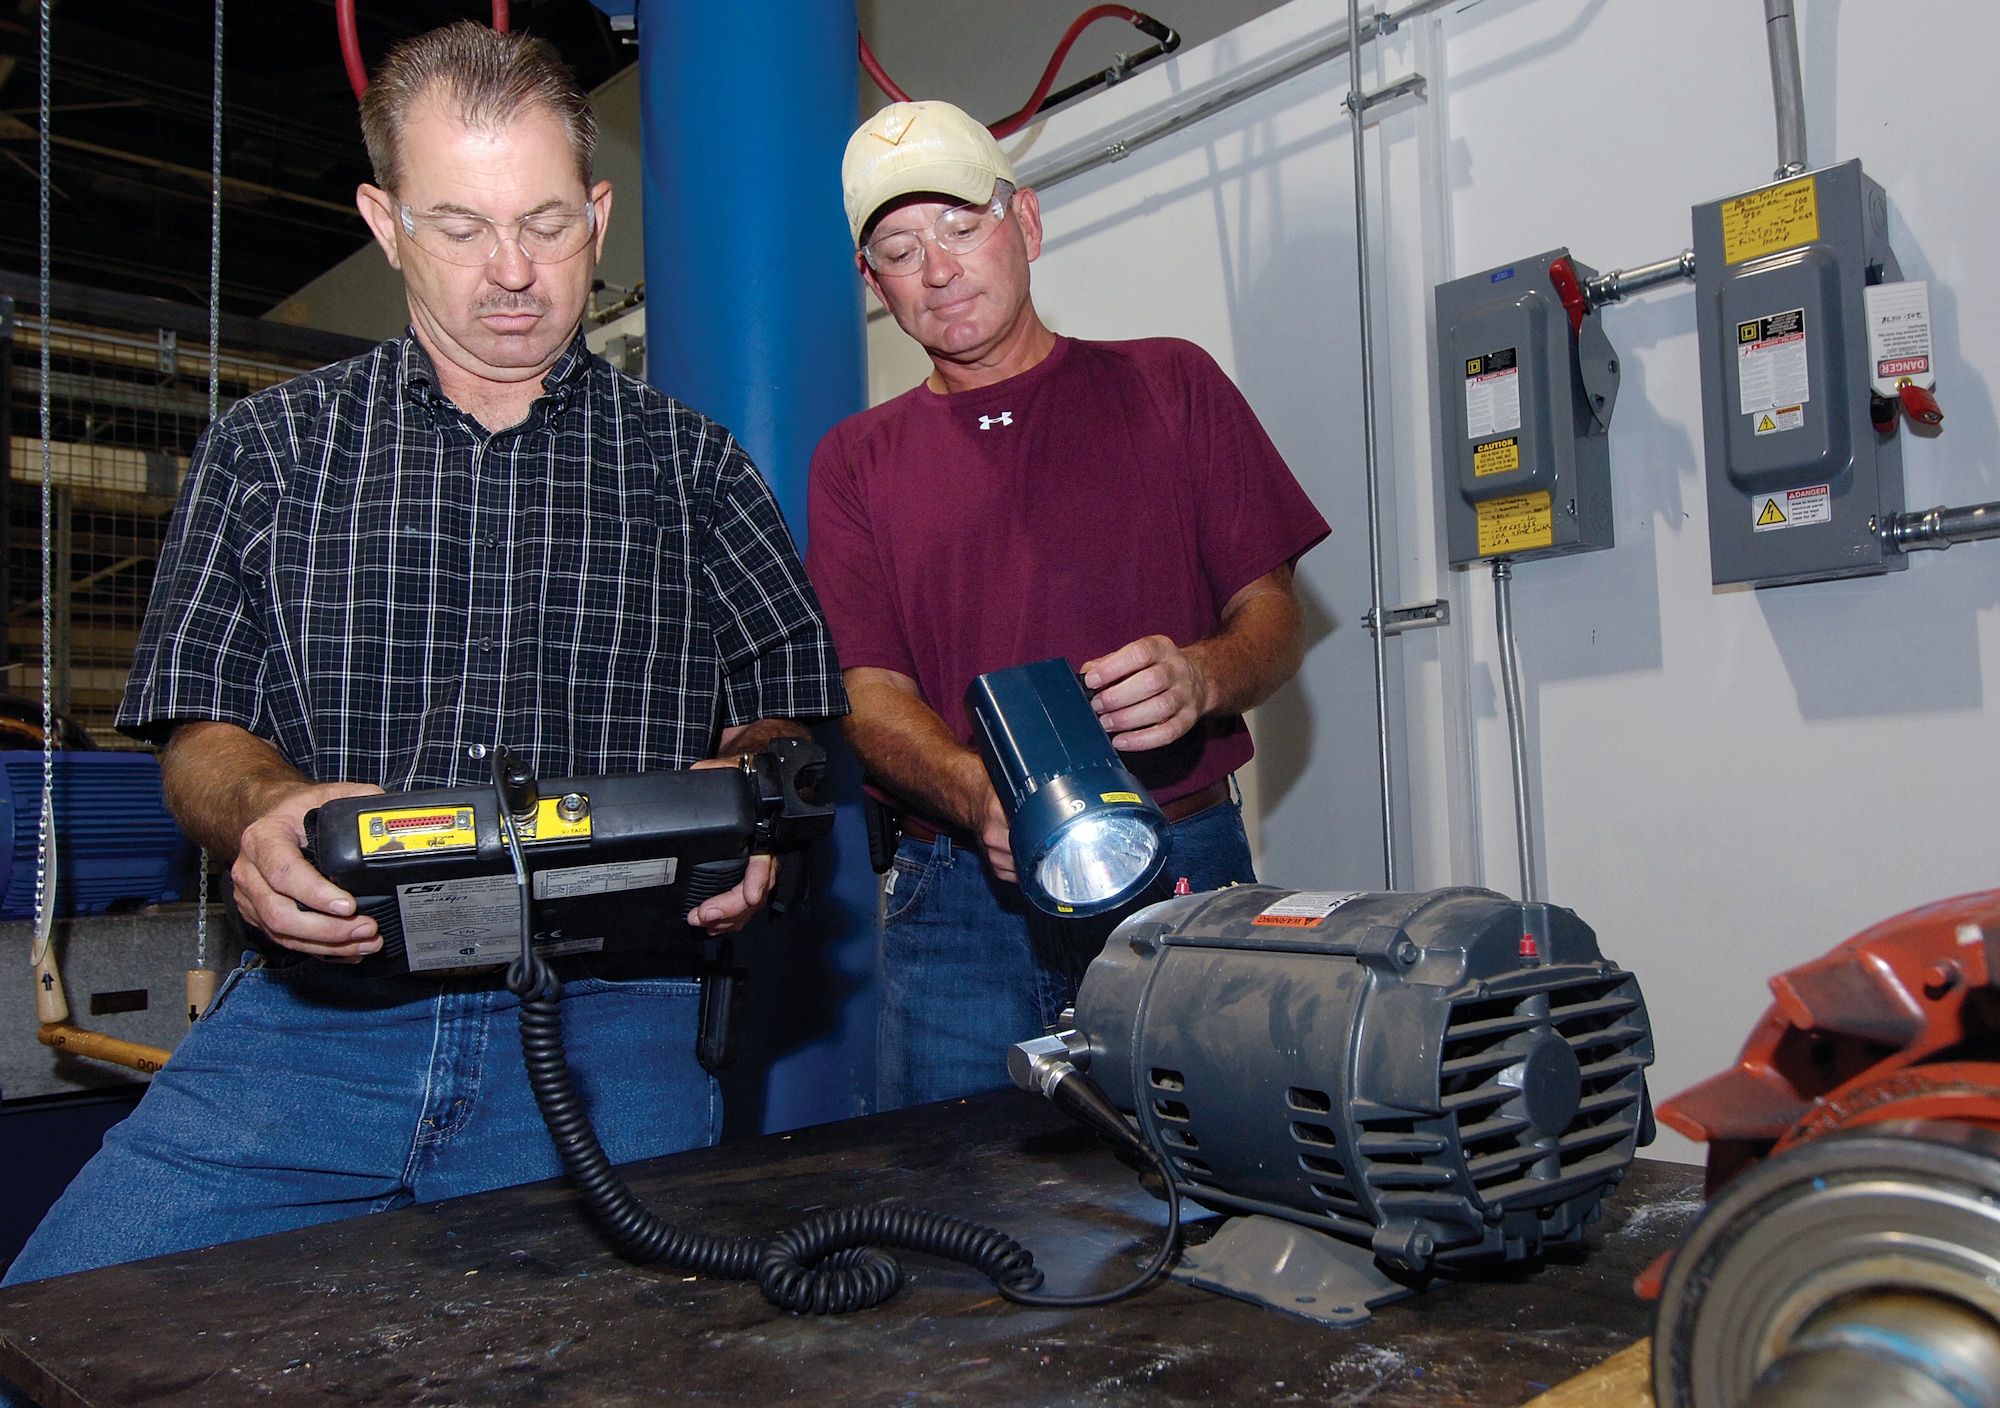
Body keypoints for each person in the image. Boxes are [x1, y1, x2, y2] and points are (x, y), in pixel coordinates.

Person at [2, 23, 845, 1288]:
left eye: (547, 222)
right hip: (312, 1030)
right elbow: (199, 741)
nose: (511, 270)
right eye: (459, 226)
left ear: (601, 214)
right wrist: (267, 812)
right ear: (384, 221)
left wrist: (754, 811)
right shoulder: (266, 454)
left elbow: (786, 721)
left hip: (613, 1026)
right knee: (55, 1323)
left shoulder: (699, 468)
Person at [806, 100, 1330, 1112]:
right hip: (959, 900)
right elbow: (864, 689)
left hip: (1179, 864)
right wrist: (971, 792)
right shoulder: (855, 463)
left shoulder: (1168, 384)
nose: (940, 268)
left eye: (961, 227)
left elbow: (1272, 611)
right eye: (900, 249)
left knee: (1207, 1171)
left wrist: (1203, 674)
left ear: (1026, 224)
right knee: (962, 1215)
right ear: (872, 285)